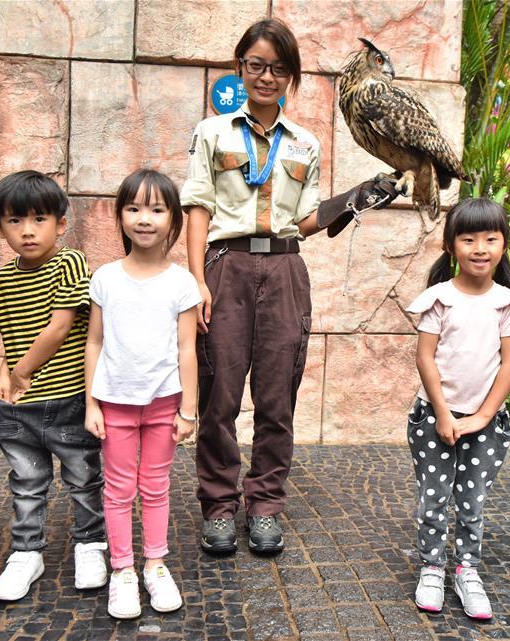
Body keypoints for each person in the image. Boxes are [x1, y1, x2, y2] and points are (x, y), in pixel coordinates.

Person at [181, 17, 401, 555]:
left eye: (278, 68)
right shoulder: (212, 132)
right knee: (219, 396)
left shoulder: (305, 143)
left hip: (285, 270)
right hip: (226, 266)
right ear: (240, 69)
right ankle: (218, 506)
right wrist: (196, 282)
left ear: (291, 77)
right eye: (256, 65)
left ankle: (265, 506)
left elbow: (303, 221)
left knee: (278, 397)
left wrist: (353, 199)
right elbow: (197, 208)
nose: (266, 76)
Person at [84, 169, 200, 619]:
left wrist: (188, 409)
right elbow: (94, 341)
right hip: (113, 403)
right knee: (117, 489)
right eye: (133, 208)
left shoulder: (181, 283)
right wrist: (92, 403)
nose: (144, 219)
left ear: (172, 220)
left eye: (156, 209)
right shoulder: (106, 279)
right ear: (121, 217)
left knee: (155, 486)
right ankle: (122, 570)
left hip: (164, 403)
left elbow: (187, 347)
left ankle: (154, 563)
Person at [405, 199, 510, 619]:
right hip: (432, 417)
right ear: (450, 245)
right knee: (434, 497)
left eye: (491, 238)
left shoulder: (507, 303)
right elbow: (425, 358)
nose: (480, 247)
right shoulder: (438, 299)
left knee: (472, 500)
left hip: (486, 423)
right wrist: (443, 413)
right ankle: (433, 567)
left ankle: (467, 569)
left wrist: (482, 416)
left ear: (504, 245)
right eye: (468, 238)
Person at [0, 170, 107, 601]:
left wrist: (21, 373)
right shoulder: (3, 278)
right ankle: (26, 552)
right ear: (0, 227)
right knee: (26, 481)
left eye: (39, 219)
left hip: (68, 398)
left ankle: (91, 544)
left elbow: (60, 328)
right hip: (17, 406)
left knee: (83, 477)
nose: (27, 230)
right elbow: (10, 335)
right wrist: (6, 374)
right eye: (14, 221)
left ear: (60, 223)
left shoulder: (70, 262)